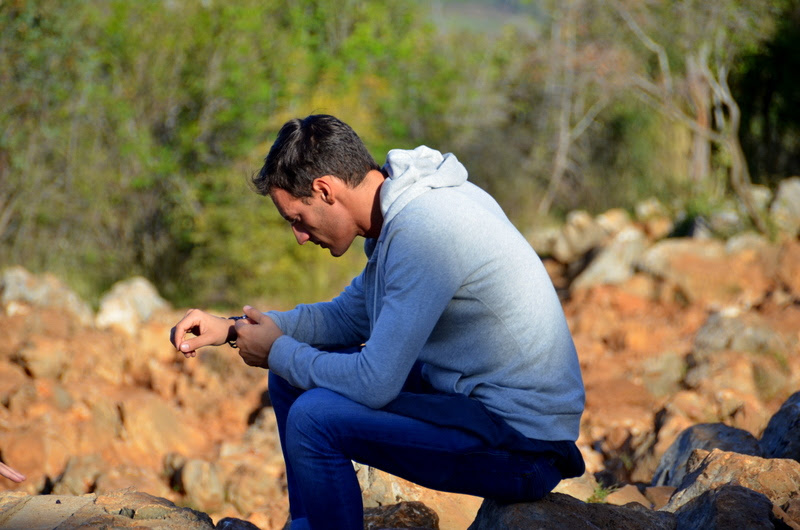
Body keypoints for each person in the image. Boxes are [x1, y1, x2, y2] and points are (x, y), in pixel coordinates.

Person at [171, 114, 585, 530]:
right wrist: (232, 327)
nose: (299, 236)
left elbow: (376, 383)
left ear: (325, 190)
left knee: (313, 418)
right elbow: (347, 317)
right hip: (477, 407)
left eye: (296, 218)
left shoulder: (425, 230)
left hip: (524, 445)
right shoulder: (405, 211)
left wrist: (278, 350)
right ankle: (311, 523)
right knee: (290, 380)